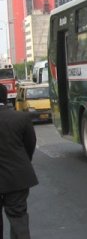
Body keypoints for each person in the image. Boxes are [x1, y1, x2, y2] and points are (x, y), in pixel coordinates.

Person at [0, 83, 37, 239]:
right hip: (17, 176)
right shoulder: (21, 118)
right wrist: (22, 162)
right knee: (18, 217)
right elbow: (30, 144)